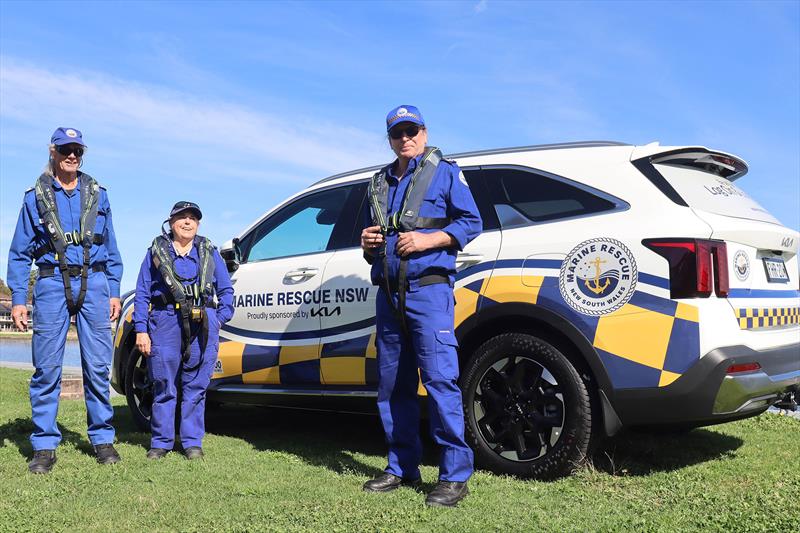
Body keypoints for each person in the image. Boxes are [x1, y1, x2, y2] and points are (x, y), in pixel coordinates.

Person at [361, 105, 482, 507]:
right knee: (393, 385)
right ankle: (401, 466)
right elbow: (370, 245)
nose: (405, 139)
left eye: (412, 131)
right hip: (389, 296)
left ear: (425, 133)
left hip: (428, 293)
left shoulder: (445, 173)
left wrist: (430, 240)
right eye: (398, 134)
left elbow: (471, 222)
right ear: (390, 139)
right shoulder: (378, 183)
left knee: (440, 380)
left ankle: (454, 476)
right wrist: (368, 245)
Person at [7, 127, 124, 473]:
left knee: (98, 366)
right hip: (50, 284)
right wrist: (17, 298)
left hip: (96, 282)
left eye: (77, 149)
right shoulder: (34, 197)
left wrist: (115, 290)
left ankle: (102, 439)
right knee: (47, 367)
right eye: (65, 149)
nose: (72, 155)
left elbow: (112, 246)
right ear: (53, 152)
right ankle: (44, 444)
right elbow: (18, 253)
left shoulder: (99, 195)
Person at [133, 201, 234, 460]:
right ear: (171, 222)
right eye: (182, 218)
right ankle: (161, 443)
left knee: (196, 385)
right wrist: (141, 331)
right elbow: (143, 293)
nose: (187, 222)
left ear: (198, 224)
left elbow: (226, 291)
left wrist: (219, 319)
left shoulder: (209, 252)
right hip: (165, 323)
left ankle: (192, 443)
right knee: (164, 383)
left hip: (204, 325)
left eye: (192, 218)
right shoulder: (156, 252)